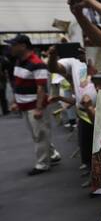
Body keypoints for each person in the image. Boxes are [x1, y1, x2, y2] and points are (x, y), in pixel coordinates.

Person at [8, 34, 61, 175]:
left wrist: (38, 108)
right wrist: (16, 102)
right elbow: (18, 84)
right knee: (39, 133)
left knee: (39, 135)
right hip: (25, 105)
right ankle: (53, 154)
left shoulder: (37, 63)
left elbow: (41, 88)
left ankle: (42, 164)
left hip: (34, 107)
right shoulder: (19, 61)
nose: (10, 48)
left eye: (13, 45)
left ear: (23, 46)